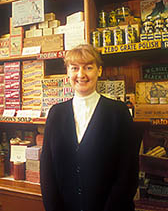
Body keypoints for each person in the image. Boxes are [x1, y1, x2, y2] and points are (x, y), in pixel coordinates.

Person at [40, 44, 140, 211]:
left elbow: (128, 172)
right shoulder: (56, 113)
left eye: (88, 67)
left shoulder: (119, 112)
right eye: (74, 68)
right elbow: (47, 170)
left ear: (99, 71)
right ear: (68, 73)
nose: (81, 75)